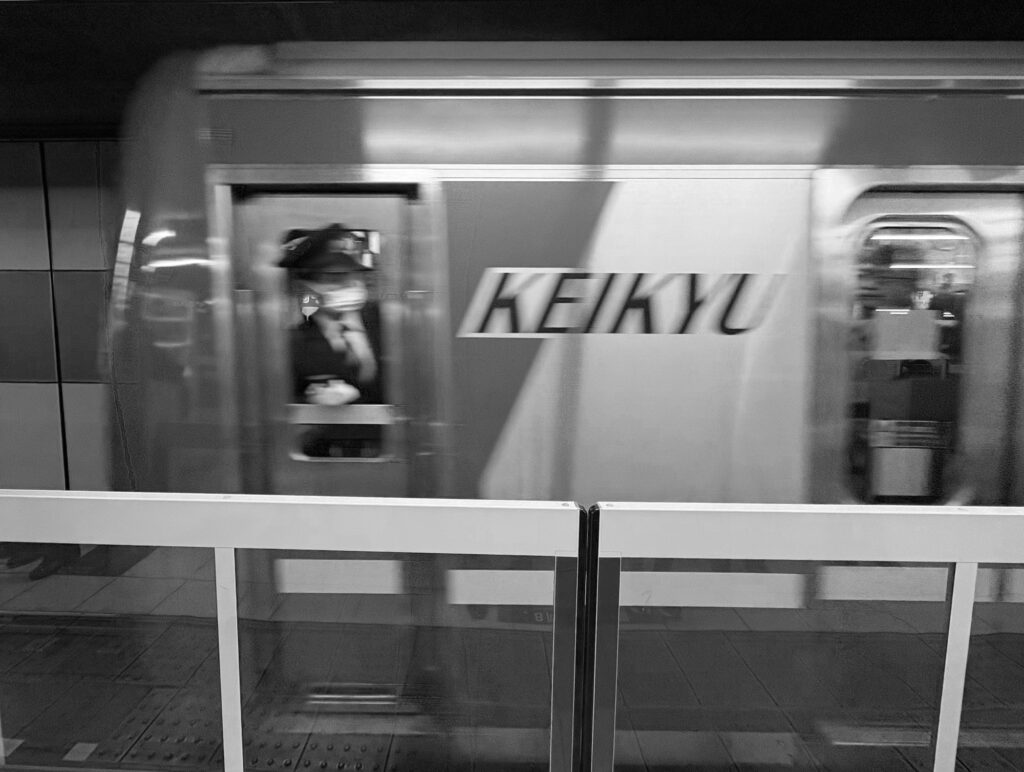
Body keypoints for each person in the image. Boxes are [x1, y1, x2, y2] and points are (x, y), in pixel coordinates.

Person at [278, 224, 384, 457]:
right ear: (307, 287)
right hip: (328, 456)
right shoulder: (295, 341)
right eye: (333, 278)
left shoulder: (386, 322)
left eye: (352, 275)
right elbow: (280, 401)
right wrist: (315, 399)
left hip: (389, 451)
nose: (348, 285)